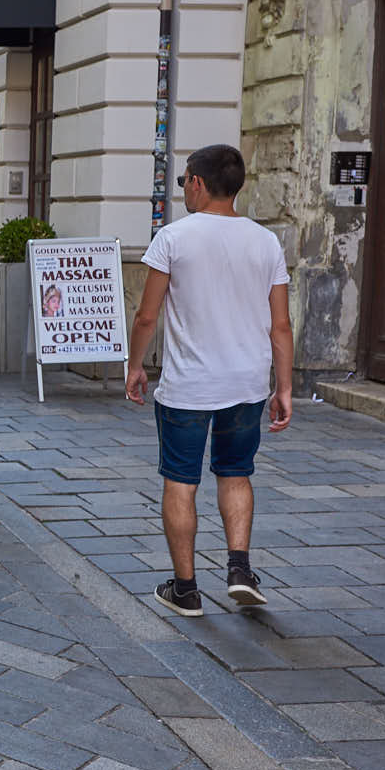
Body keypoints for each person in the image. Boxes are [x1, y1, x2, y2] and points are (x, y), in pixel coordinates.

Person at [125, 144, 292, 619]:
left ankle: (185, 589)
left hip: (189, 385)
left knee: (181, 480)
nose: (183, 191)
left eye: (183, 183)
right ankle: (239, 569)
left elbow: (146, 314)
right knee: (235, 472)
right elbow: (280, 325)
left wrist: (135, 366)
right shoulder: (265, 242)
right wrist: (284, 388)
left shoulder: (173, 238)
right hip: (246, 382)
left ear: (197, 183)